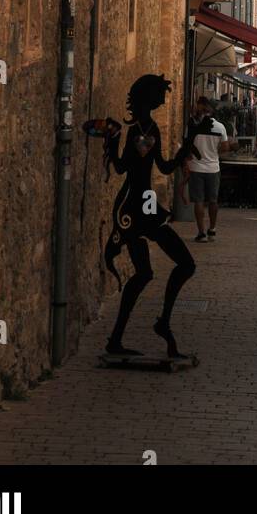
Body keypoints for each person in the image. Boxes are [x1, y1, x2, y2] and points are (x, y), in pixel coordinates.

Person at [101, 74, 197, 359]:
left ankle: (136, 332)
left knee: (150, 273)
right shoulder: (142, 130)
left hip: (142, 204)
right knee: (180, 265)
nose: (164, 99)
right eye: (160, 93)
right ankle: (159, 324)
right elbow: (132, 167)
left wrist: (186, 148)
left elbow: (159, 167)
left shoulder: (146, 128)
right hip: (137, 206)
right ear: (149, 96)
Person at [185, 96, 237, 242]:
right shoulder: (220, 127)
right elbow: (225, 148)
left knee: (199, 201)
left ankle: (201, 233)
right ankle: (212, 229)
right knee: (213, 201)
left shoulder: (192, 126)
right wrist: (213, 151)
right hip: (213, 168)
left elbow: (187, 148)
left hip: (196, 167)